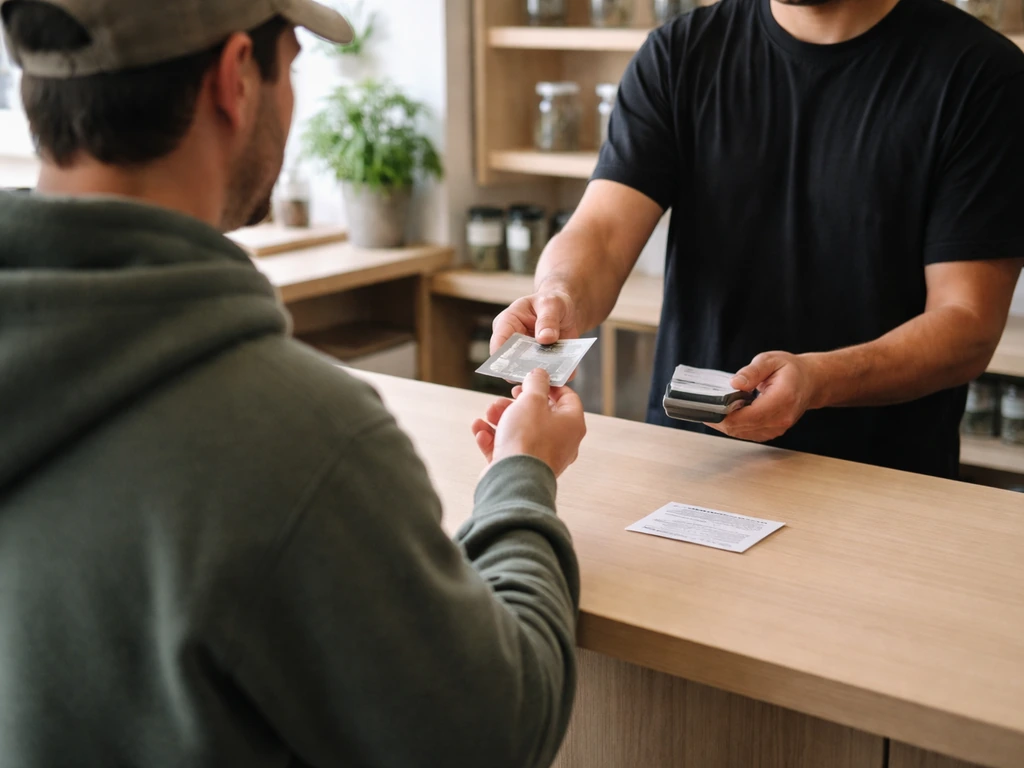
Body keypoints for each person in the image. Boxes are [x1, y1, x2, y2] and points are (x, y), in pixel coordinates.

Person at [0, 1, 586, 766]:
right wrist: (525, 475)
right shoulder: (302, 442)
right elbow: (500, 733)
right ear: (236, 77)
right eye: (295, 64)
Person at [492, 0, 1024, 479]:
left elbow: (967, 324)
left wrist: (819, 379)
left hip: (884, 475)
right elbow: (602, 232)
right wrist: (558, 296)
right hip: (697, 463)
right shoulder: (680, 54)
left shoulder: (980, 75)